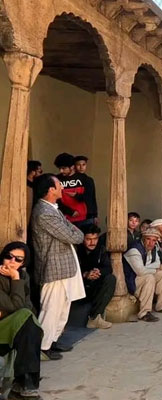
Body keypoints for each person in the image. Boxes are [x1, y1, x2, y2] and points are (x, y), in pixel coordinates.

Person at [30, 173, 85, 360]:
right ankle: (43, 347)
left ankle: (53, 341)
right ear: (50, 189)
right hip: (53, 268)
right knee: (51, 309)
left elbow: (73, 231)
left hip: (63, 267)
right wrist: (75, 233)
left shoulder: (53, 209)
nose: (62, 187)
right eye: (59, 185)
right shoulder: (44, 213)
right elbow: (74, 236)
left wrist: (75, 232)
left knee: (62, 308)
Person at [0, 242, 43, 398]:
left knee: (29, 320)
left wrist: (17, 278)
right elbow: (16, 306)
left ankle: (25, 383)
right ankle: (26, 383)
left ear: (23, 263)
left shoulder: (24, 276)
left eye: (18, 259)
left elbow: (27, 306)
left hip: (14, 324)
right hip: (3, 329)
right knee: (26, 317)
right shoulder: (18, 277)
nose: (12, 262)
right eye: (8, 257)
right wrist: (15, 278)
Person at [123, 228, 162, 321]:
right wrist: (153, 269)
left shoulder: (153, 248)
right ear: (143, 239)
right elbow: (140, 271)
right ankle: (144, 313)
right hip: (131, 281)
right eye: (148, 239)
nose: (151, 243)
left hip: (142, 276)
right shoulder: (134, 250)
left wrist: (148, 268)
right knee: (149, 277)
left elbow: (158, 263)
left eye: (154, 240)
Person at [76, 224, 116, 329]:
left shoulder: (101, 249)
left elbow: (108, 268)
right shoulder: (76, 249)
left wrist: (98, 272)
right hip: (79, 287)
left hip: (94, 285)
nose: (92, 242)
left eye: (95, 239)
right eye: (88, 239)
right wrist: (85, 274)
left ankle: (94, 317)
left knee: (110, 279)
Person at [53, 153, 91, 227]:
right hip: (64, 219)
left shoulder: (84, 179)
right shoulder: (56, 179)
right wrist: (70, 212)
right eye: (59, 168)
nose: (61, 171)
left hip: (83, 219)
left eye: (64, 168)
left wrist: (76, 196)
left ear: (72, 167)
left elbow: (89, 198)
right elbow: (55, 199)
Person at [73, 155, 98, 224]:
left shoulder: (89, 180)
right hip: (75, 214)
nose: (81, 167)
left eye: (83, 165)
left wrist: (95, 215)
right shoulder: (72, 181)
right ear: (74, 166)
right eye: (78, 165)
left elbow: (93, 197)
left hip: (89, 214)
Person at [26, 160, 42, 226]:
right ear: (32, 172)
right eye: (40, 171)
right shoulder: (24, 186)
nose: (41, 174)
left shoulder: (38, 184)